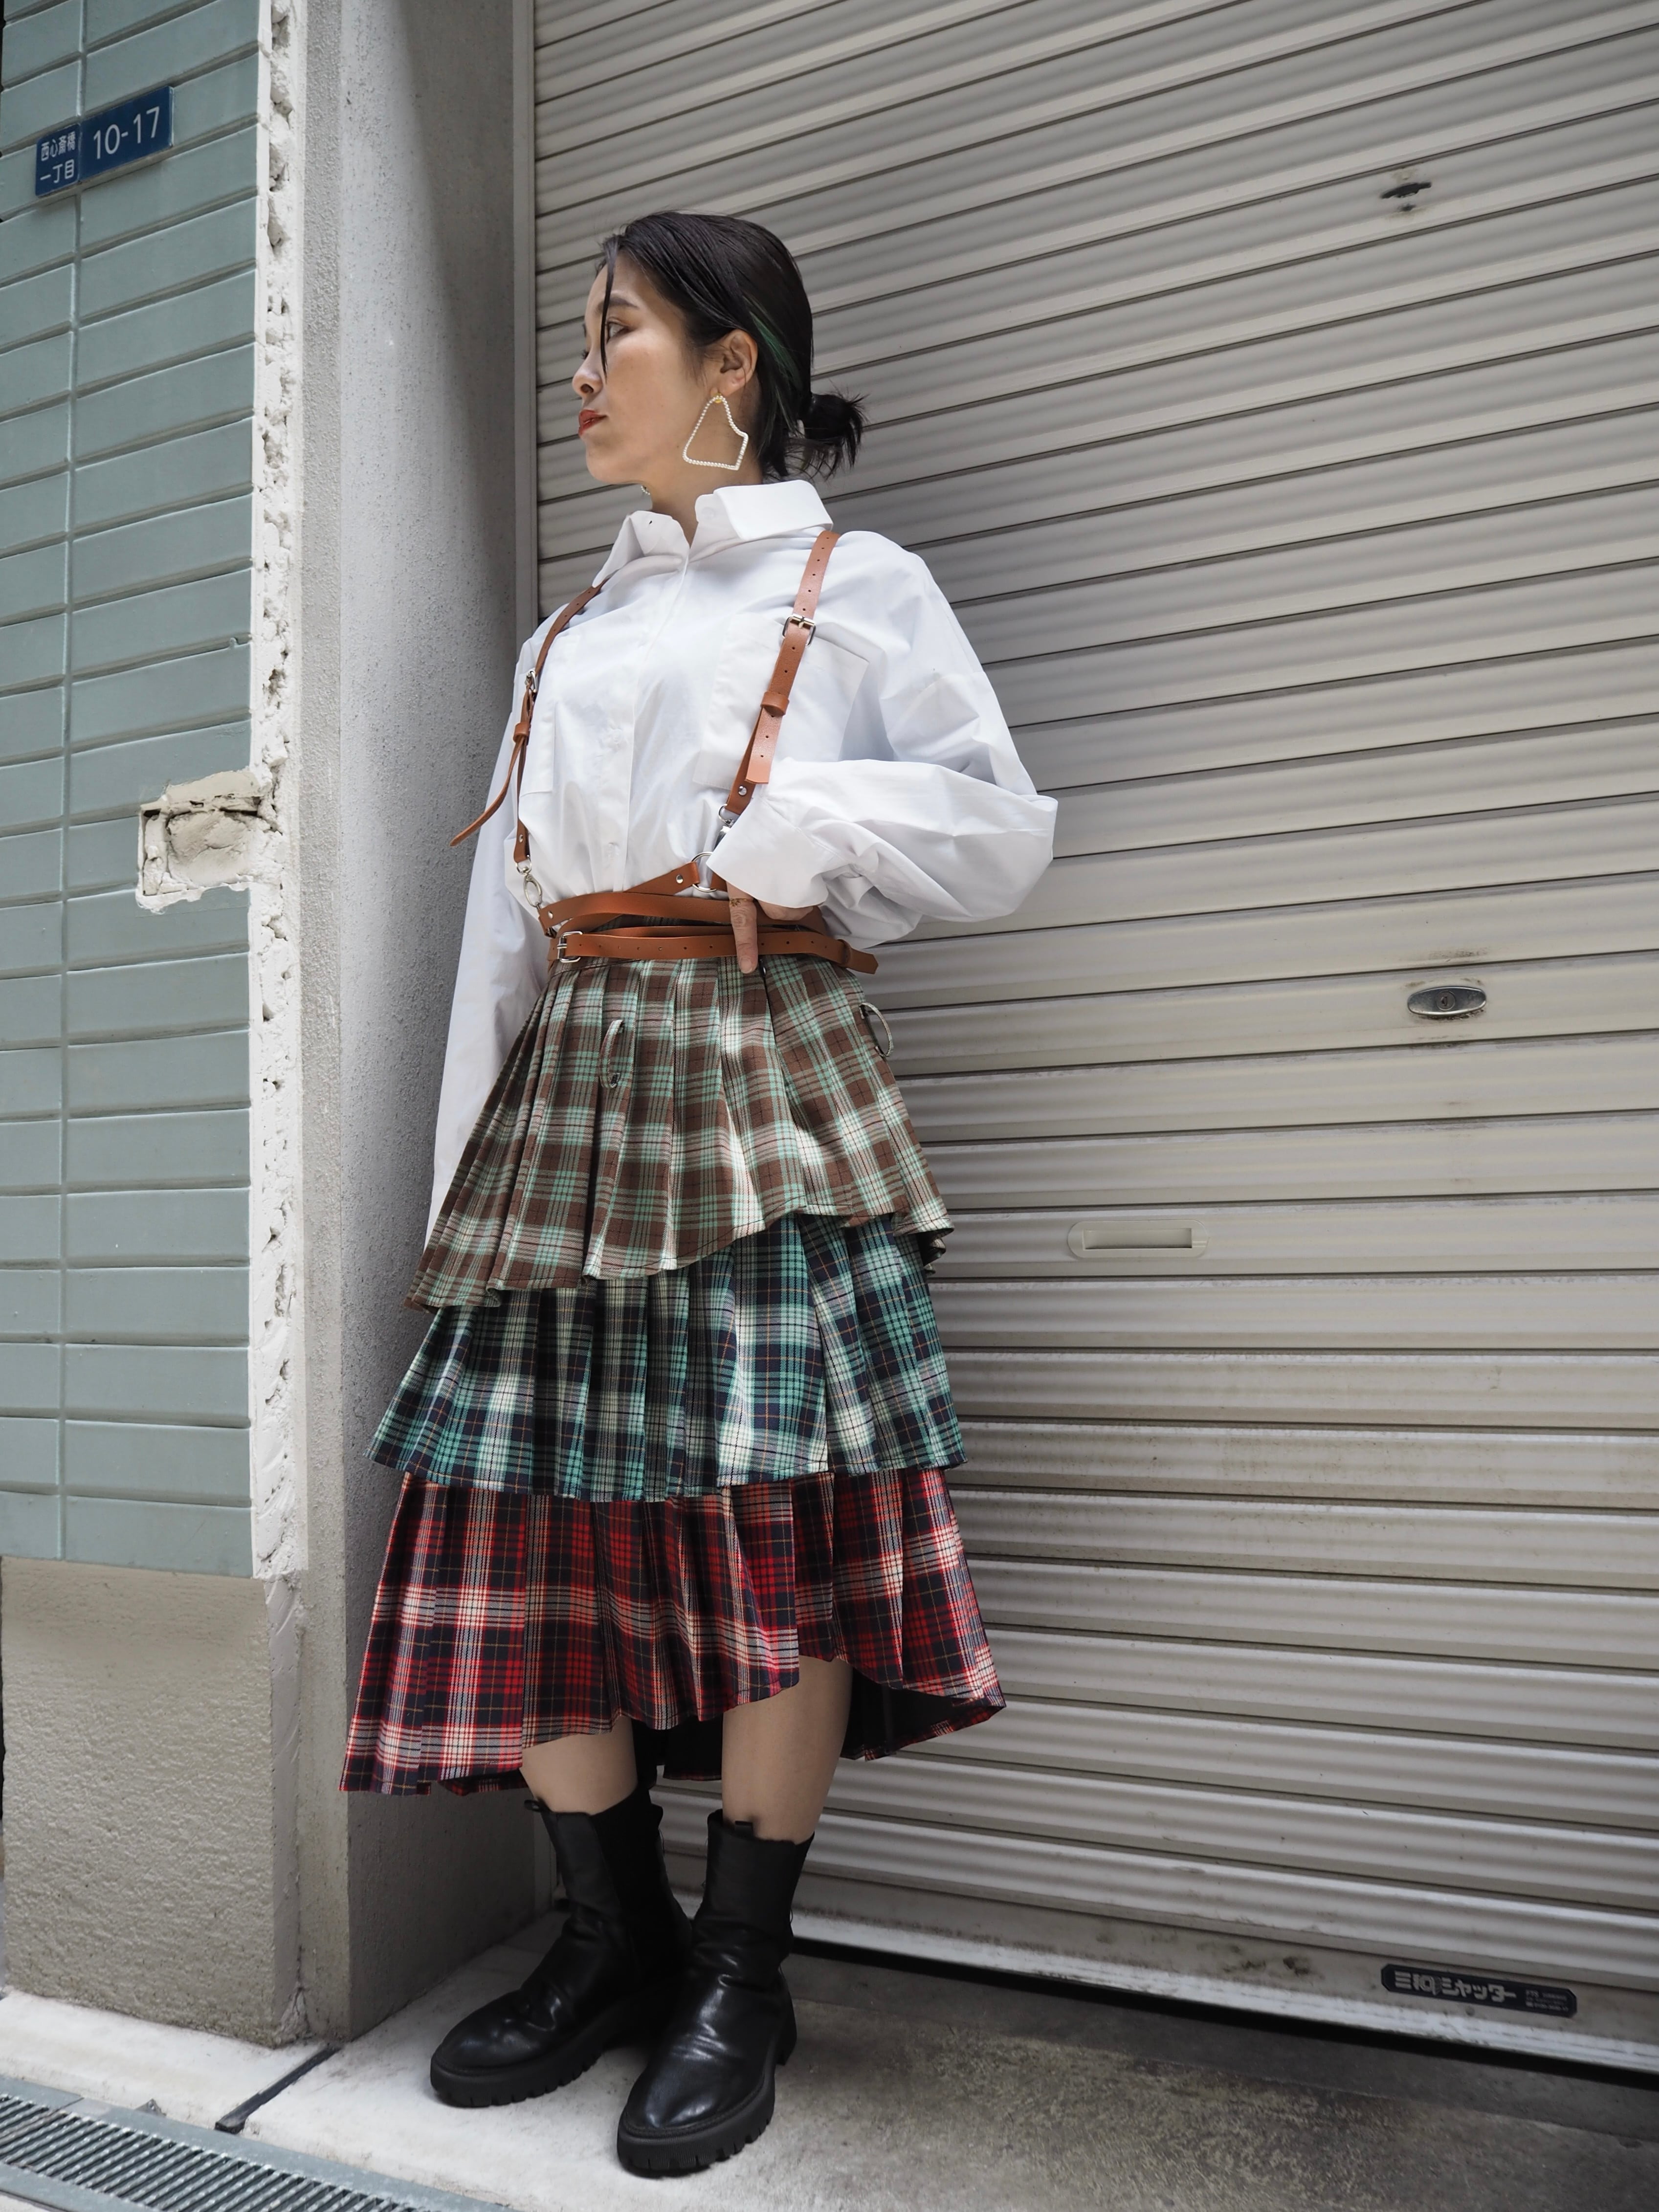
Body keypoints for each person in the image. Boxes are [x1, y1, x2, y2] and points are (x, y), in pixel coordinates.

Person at [341, 210, 1055, 2176]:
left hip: (765, 1092)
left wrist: (811, 822)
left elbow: (999, 829)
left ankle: (743, 1971)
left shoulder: (857, 584)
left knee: (778, 1525)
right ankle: (612, 1939)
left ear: (735, 362)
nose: (580, 373)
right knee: (518, 1532)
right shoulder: (563, 635)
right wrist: (453, 1195)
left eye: (619, 332)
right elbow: (501, 937)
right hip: (569, 1107)